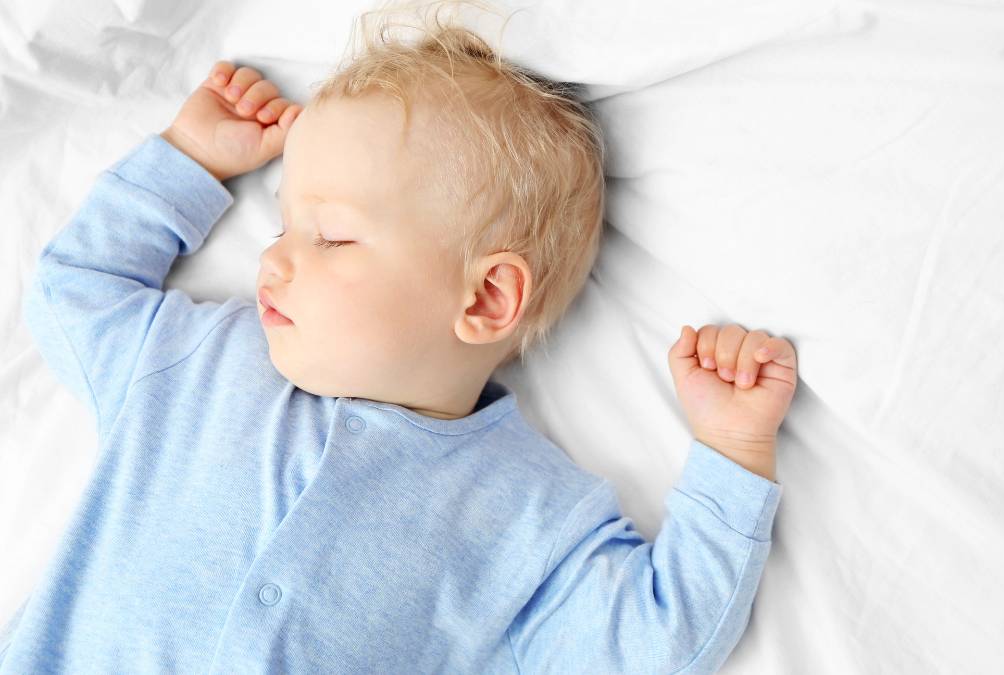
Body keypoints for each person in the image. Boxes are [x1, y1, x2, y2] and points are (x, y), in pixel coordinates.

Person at [4, 6, 795, 673]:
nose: (273, 256)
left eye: (332, 239)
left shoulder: (529, 512)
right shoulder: (197, 360)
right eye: (282, 224)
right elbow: (76, 290)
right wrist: (188, 164)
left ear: (486, 297)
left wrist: (732, 448)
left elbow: (656, 643)